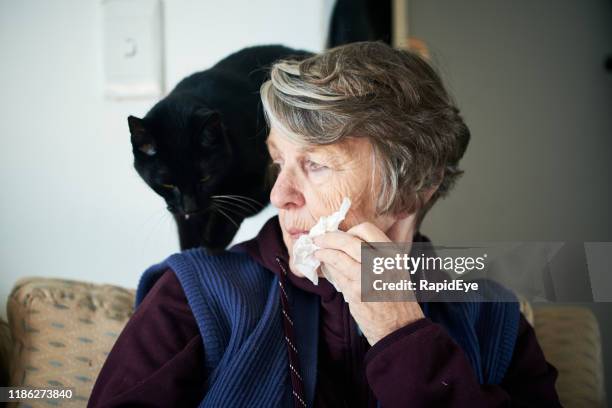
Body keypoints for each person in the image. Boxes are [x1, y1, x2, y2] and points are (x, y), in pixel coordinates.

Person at [89, 42, 561, 407]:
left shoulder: (491, 316)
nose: (278, 196)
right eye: (279, 162)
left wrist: (402, 335)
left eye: (316, 164)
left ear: (415, 186)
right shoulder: (193, 293)